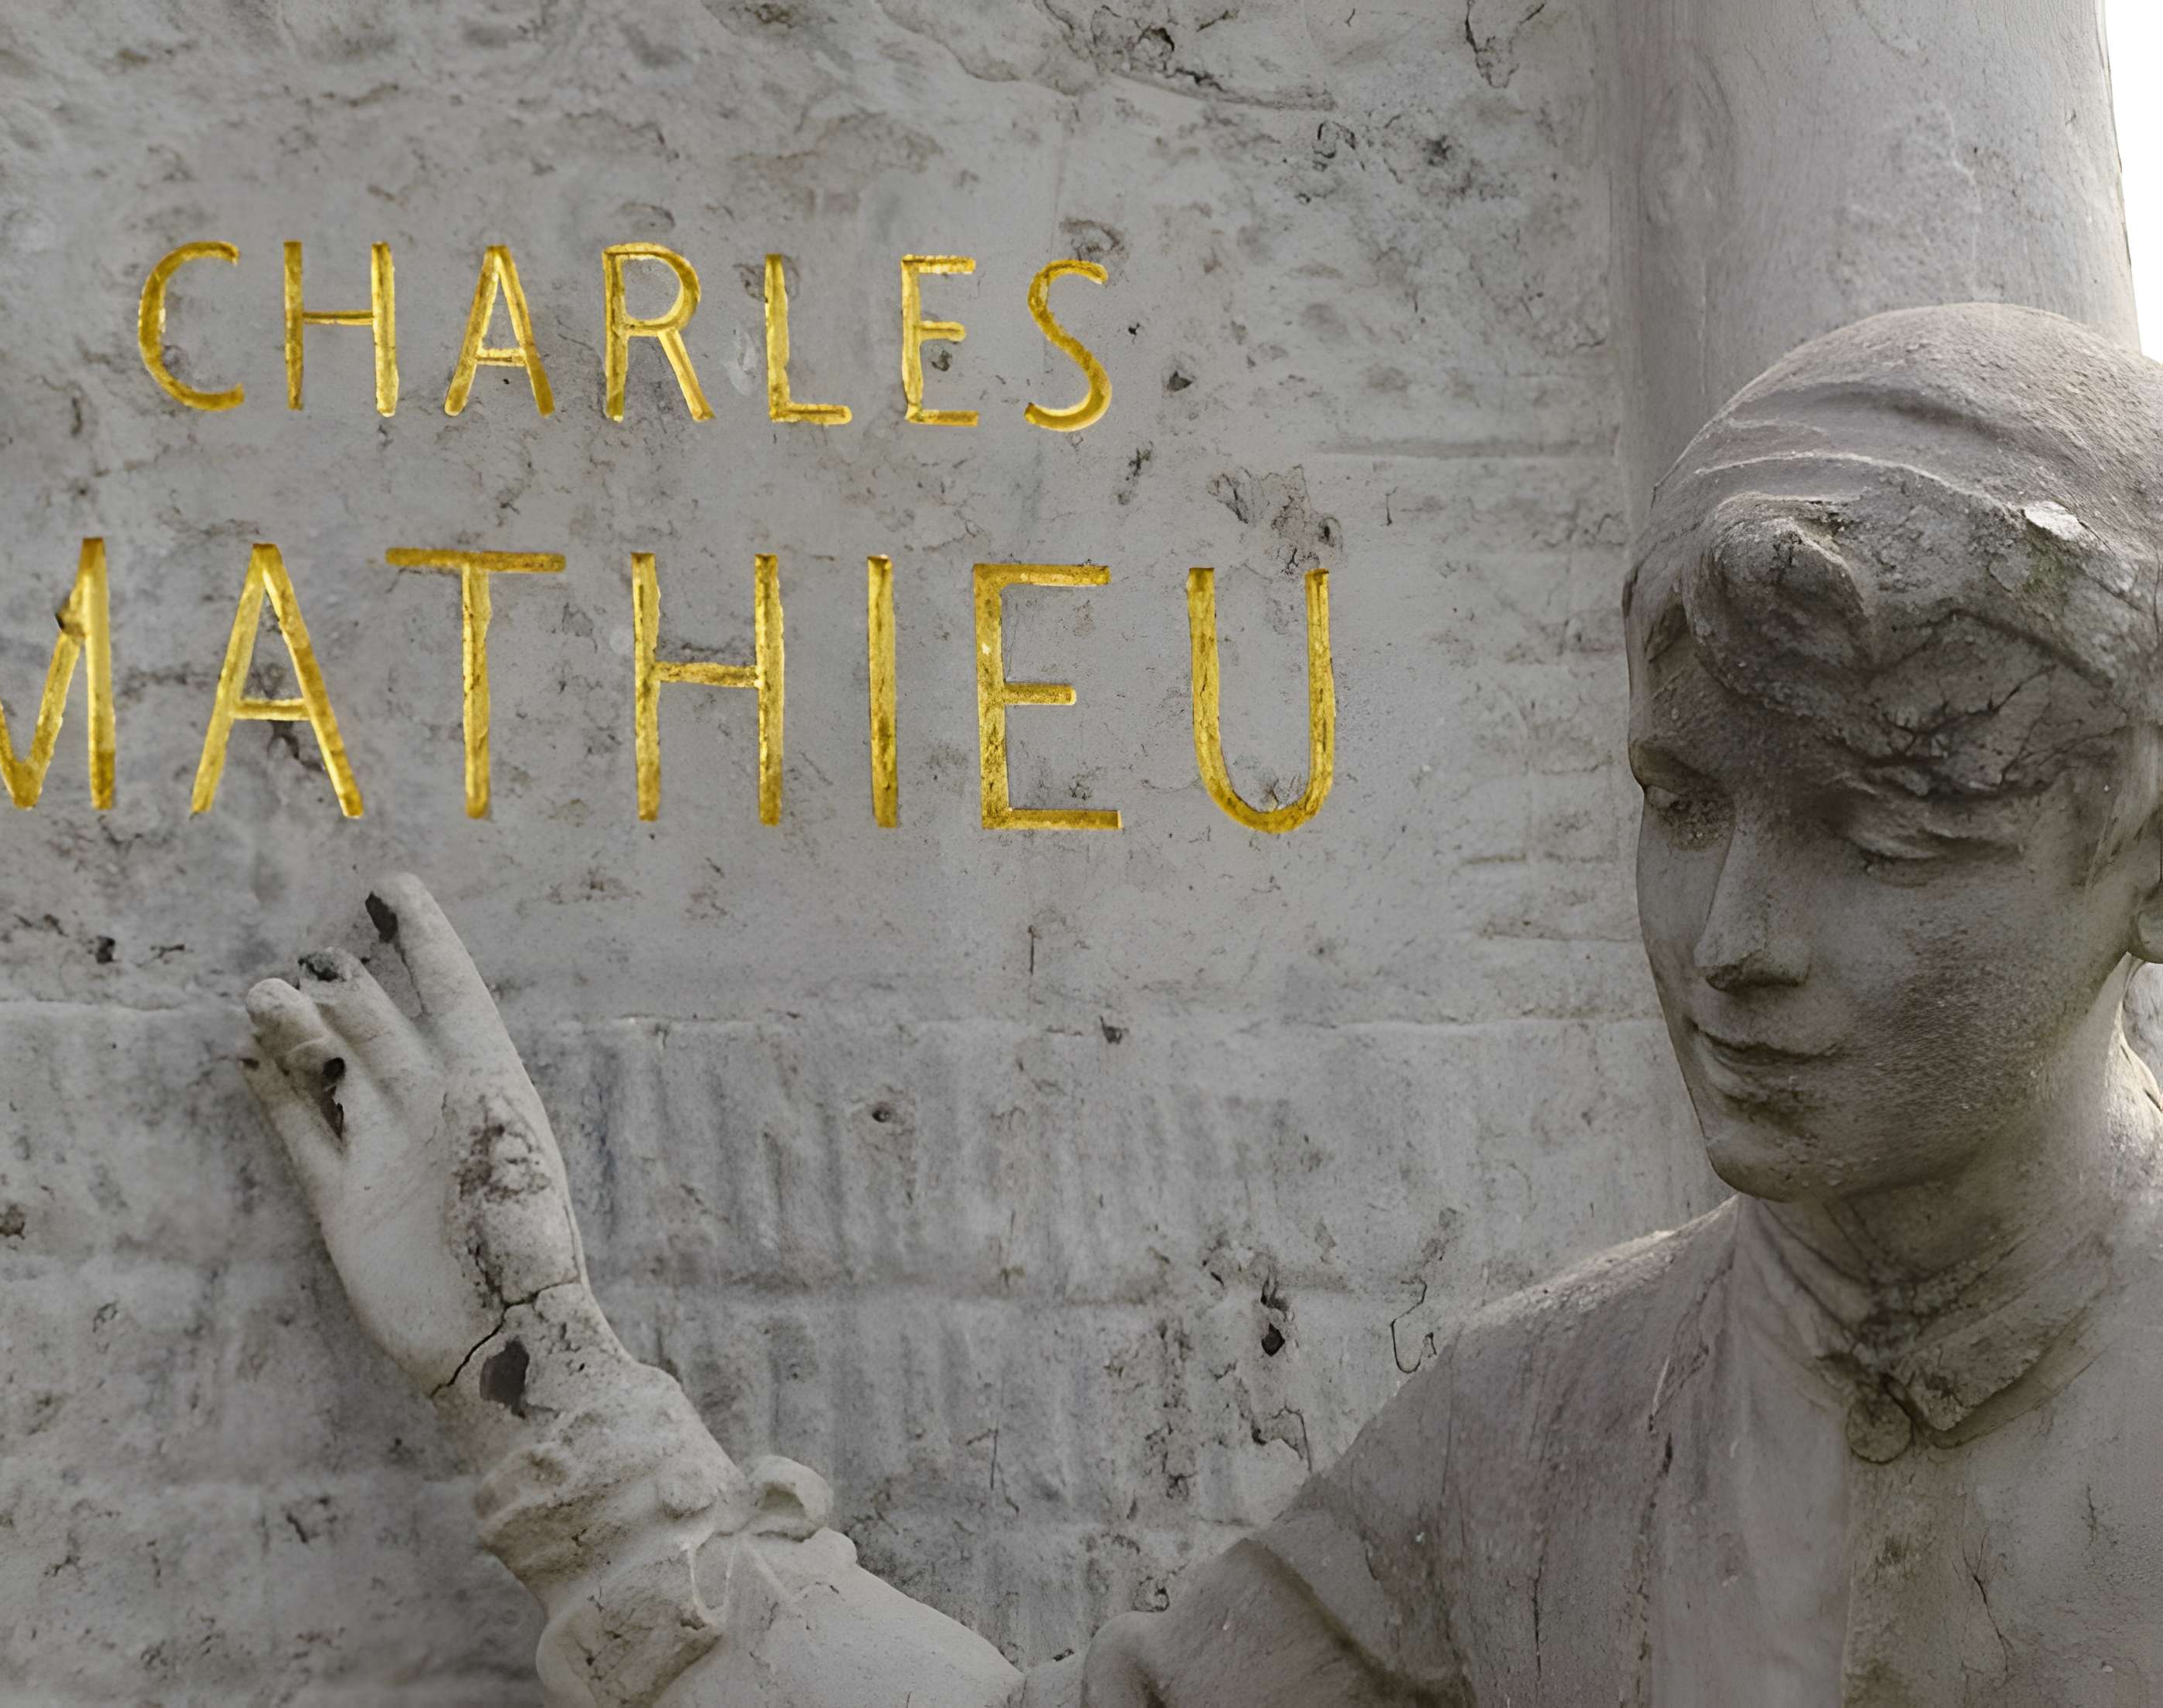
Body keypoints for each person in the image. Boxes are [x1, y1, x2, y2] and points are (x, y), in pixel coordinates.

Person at [242, 302, 2163, 1705]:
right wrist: (546, 1386)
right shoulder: (1550, 1427)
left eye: (1881, 838)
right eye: (1679, 803)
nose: (1733, 935)